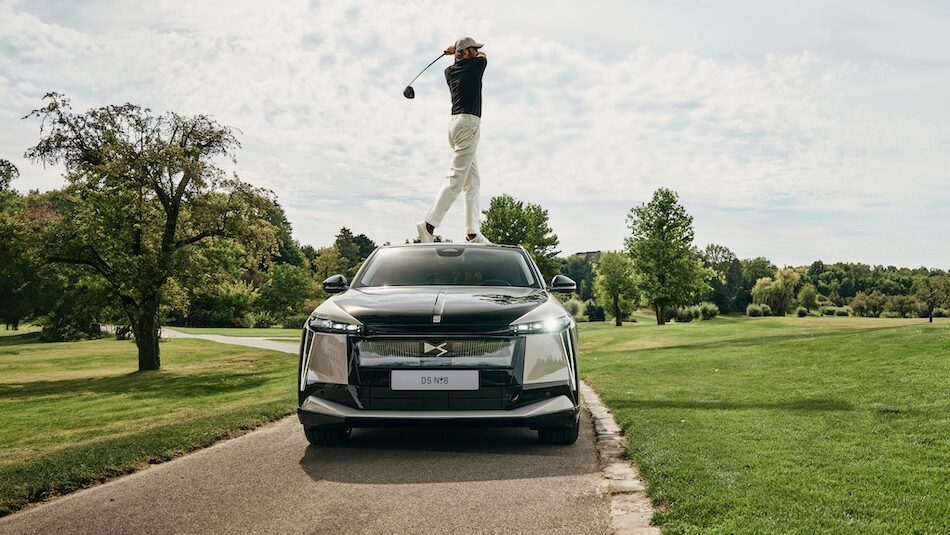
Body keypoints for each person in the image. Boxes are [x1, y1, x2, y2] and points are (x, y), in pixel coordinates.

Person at [417, 36, 492, 244]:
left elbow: (463, 60)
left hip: (455, 126)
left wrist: (455, 52)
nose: (477, 52)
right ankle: (429, 225)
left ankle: (472, 233)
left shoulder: (449, 72)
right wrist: (457, 51)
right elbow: (484, 57)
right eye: (473, 49)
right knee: (456, 179)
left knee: (472, 182)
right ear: (466, 53)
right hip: (468, 125)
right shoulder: (476, 66)